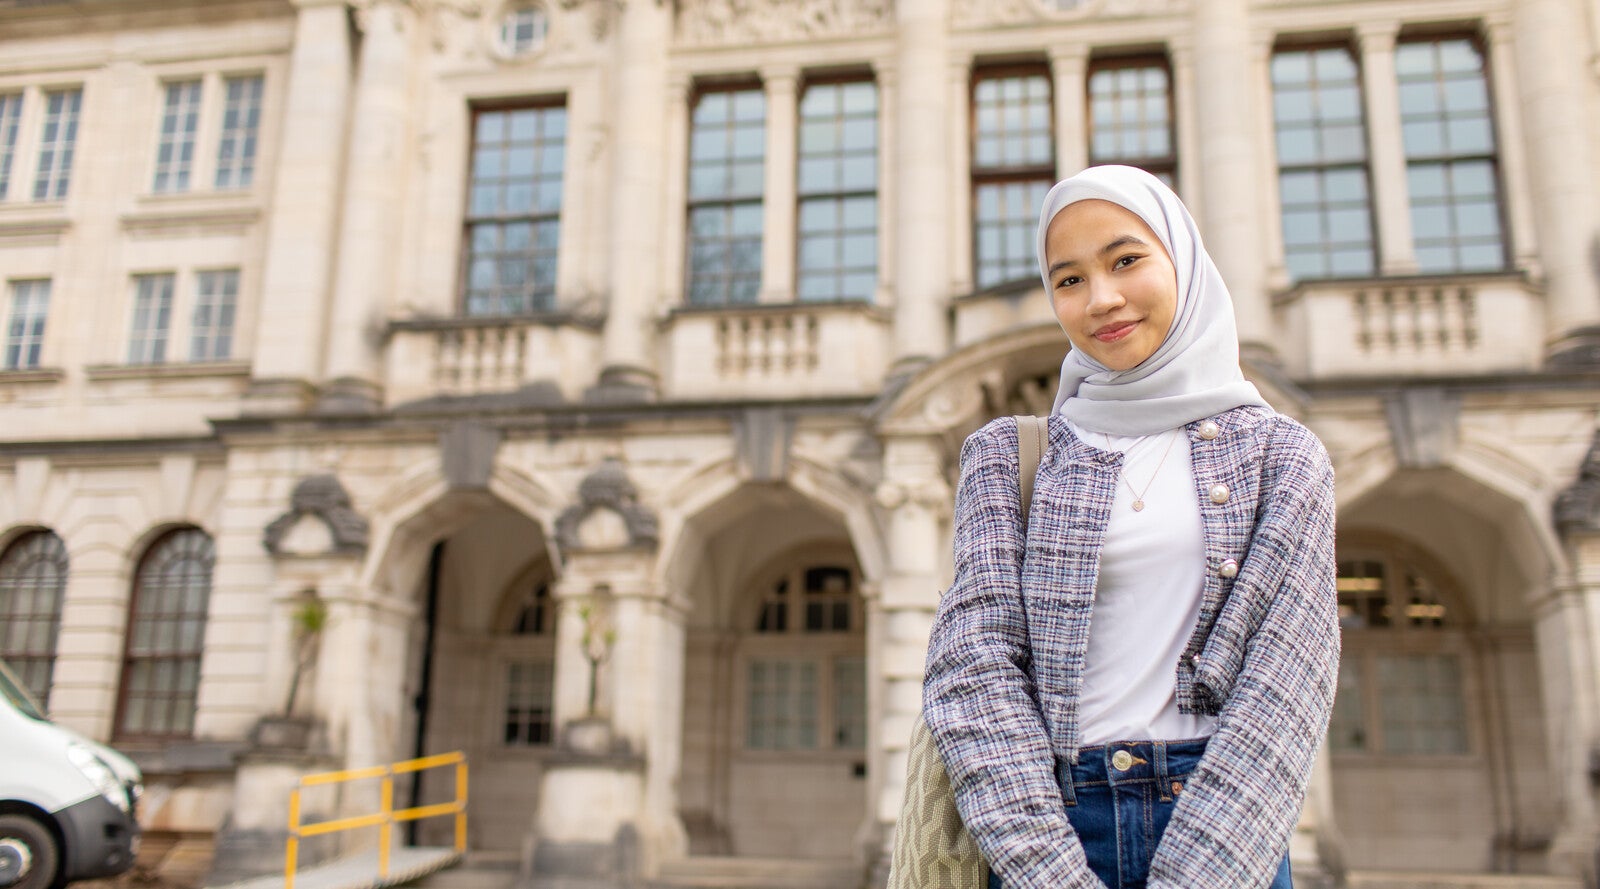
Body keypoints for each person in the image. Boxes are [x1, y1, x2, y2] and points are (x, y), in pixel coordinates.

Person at [922, 164, 1339, 889]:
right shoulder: (1007, 454)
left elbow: (1288, 683)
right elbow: (974, 668)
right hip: (1046, 831)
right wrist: (1050, 873)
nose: (1101, 299)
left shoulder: (1282, 455)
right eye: (1069, 279)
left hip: (1226, 833)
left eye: (1125, 260)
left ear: (1181, 257)